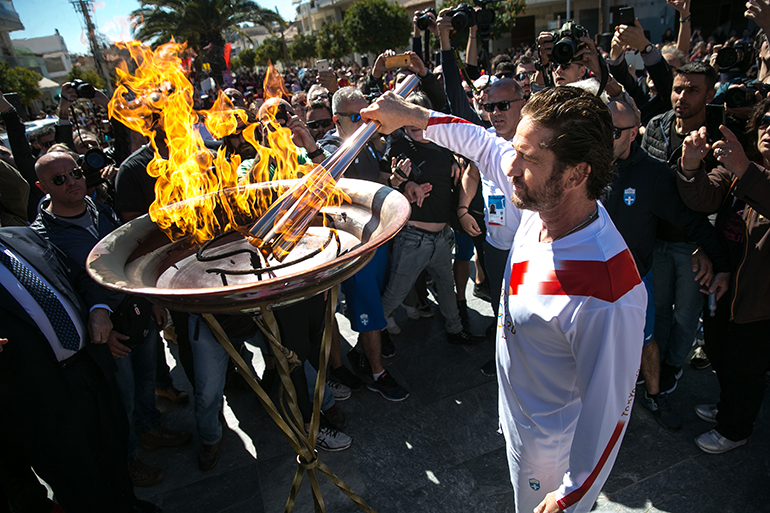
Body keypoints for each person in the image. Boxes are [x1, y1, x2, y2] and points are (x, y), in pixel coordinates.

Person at [361, 86, 646, 513]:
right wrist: (410, 114)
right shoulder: (541, 199)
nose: (509, 165)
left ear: (576, 174)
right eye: (516, 148)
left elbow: (609, 418)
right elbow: (480, 142)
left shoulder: (608, 291)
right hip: (520, 422)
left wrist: (570, 496)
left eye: (529, 159)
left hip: (548, 457)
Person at [30, 151, 192, 485]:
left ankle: (150, 430)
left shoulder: (99, 208)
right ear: (42, 186)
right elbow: (66, 291)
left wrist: (151, 300)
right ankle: (128, 458)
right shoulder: (43, 237)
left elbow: (127, 259)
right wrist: (98, 332)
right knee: (121, 396)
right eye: (59, 179)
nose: (72, 182)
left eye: (74, 173)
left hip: (137, 313)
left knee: (147, 380)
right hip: (106, 331)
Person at [0, 225, 160, 513]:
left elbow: (76, 276)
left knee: (114, 448)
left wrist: (99, 307)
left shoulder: (20, 236)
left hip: (90, 367)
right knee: (78, 479)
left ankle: (128, 505)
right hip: (40, 396)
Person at [605, 97, 731, 430]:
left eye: (614, 132)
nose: (606, 138)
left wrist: (721, 262)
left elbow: (691, 222)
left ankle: (656, 394)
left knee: (646, 341)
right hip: (589, 283)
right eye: (601, 129)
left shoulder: (654, 175)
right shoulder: (584, 164)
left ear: (634, 134)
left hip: (634, 281)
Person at [677, 100, 770, 454]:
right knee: (721, 352)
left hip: (759, 297)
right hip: (724, 283)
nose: (768, 130)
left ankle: (735, 428)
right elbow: (703, 197)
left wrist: (744, 169)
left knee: (748, 365)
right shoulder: (741, 166)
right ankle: (728, 407)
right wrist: (690, 165)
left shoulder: (747, 169)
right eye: (765, 121)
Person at [318, 87, 409, 401]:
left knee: (376, 308)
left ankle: (363, 353)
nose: (365, 122)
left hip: (377, 240)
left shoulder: (369, 143)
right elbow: (330, 188)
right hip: (354, 249)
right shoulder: (329, 149)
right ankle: (376, 372)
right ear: (336, 120)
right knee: (368, 311)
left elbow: (377, 188)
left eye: (367, 115)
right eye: (356, 117)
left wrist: (396, 181)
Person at [641, 62, 720, 398]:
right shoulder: (656, 127)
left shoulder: (719, 138)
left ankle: (674, 364)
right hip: (656, 241)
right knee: (658, 310)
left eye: (693, 90)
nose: (682, 97)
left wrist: (708, 246)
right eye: (677, 89)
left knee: (687, 315)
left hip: (693, 245)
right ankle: (655, 366)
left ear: (711, 94)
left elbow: (723, 197)